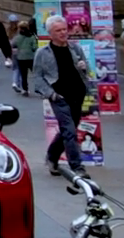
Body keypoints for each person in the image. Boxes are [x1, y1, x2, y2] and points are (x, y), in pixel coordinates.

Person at [30, 14, 95, 178]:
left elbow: (86, 69)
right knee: (69, 130)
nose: (63, 33)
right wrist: (50, 94)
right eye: (58, 30)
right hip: (59, 97)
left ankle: (52, 156)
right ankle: (77, 167)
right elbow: (37, 77)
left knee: (69, 129)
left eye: (65, 29)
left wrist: (83, 67)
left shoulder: (75, 48)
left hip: (78, 94)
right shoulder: (43, 53)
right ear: (50, 34)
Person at [9, 15, 37, 95]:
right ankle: (40, 88)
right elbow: (34, 47)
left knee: (24, 75)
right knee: (35, 73)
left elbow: (13, 45)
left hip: (21, 58)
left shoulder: (17, 37)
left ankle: (25, 90)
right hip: (30, 57)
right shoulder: (31, 37)